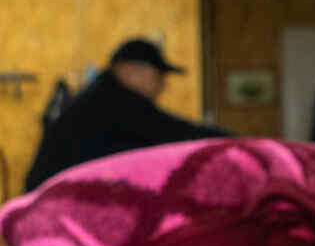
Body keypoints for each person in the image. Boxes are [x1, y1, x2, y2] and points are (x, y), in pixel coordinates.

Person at [24, 38, 231, 192]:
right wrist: (233, 141)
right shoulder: (115, 100)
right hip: (53, 205)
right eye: (158, 76)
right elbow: (175, 132)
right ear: (129, 71)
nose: (163, 85)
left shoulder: (103, 95)